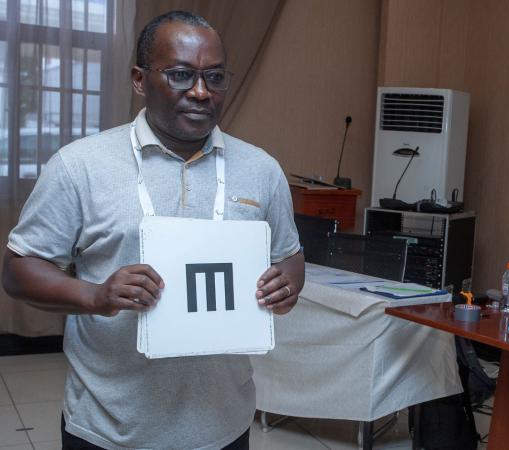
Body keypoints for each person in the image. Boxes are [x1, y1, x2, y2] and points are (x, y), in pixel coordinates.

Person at [1, 11, 304, 449]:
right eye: (181, 75)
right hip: (109, 427)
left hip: (224, 425)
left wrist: (287, 282)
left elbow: (289, 253)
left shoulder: (262, 169)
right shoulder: (78, 165)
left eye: (215, 77)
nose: (201, 92)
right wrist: (95, 295)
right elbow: (18, 269)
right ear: (140, 80)